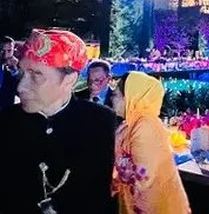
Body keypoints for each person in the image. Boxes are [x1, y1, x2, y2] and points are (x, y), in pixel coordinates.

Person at [0, 29, 117, 214]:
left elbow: (98, 197)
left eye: (36, 75)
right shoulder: (6, 122)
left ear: (69, 80)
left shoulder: (99, 122)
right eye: (22, 73)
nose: (21, 87)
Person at [111, 71, 190, 214]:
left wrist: (114, 148)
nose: (112, 99)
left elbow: (143, 178)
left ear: (130, 97)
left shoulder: (145, 126)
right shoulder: (132, 124)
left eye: (116, 95)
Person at [0, 36, 19, 110]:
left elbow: (19, 91)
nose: (5, 55)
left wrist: (14, 70)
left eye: (9, 51)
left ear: (14, 51)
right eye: (1, 50)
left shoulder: (15, 69)